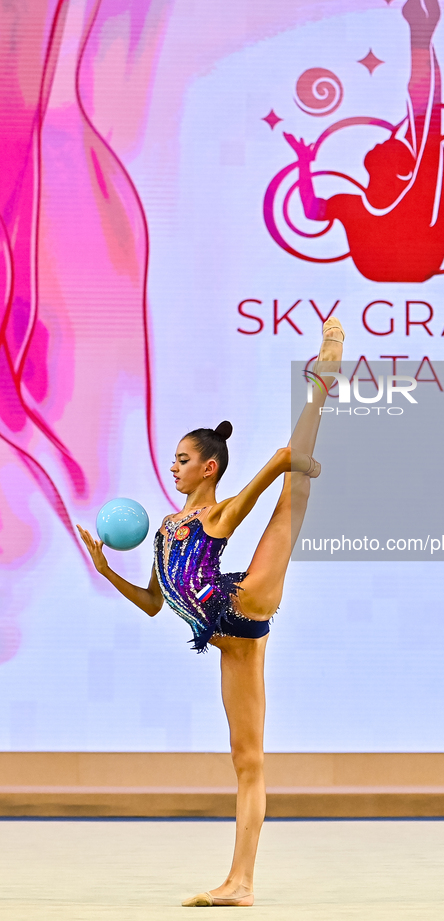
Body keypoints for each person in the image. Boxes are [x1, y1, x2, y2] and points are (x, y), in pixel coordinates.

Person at [76, 317, 345, 908]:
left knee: (291, 499)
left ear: (208, 467)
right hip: (232, 644)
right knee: (247, 762)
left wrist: (289, 464)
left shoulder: (213, 515)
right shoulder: (167, 529)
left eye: (181, 459)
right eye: (172, 459)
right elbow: (153, 604)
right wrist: (104, 571)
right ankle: (241, 884)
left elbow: (263, 480)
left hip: (243, 602)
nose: (172, 467)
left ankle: (327, 365)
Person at [284, 0, 444, 282]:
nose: (381, 142)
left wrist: (420, 37)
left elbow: (427, 110)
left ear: (400, 169)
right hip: (392, 265)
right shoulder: (352, 204)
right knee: (424, 128)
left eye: (387, 147)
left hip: (415, 261)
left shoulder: (416, 194)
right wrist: (304, 163)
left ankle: (421, 37)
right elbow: (312, 210)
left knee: (426, 127)